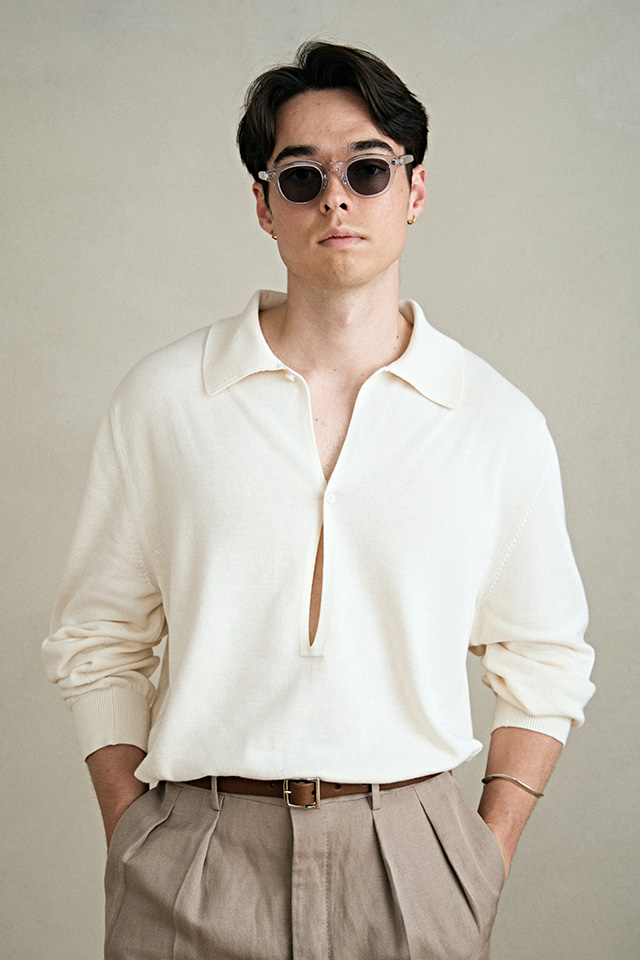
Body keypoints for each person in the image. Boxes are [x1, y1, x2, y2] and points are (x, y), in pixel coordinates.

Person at [43, 41, 595, 960]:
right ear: (264, 206)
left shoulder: (496, 422)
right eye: (302, 178)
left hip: (412, 857)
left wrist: (480, 859)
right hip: (196, 852)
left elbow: (545, 657)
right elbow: (99, 636)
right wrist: (135, 830)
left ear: (414, 191)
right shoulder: (166, 399)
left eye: (367, 170)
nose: (336, 199)